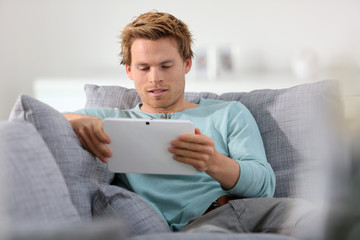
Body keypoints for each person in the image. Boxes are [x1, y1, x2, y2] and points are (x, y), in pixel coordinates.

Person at [64, 11, 311, 235]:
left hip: (242, 210)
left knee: (315, 216)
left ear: (187, 64)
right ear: (129, 71)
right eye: (144, 67)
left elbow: (265, 186)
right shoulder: (113, 123)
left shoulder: (230, 113)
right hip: (197, 229)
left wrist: (213, 162)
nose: (155, 78)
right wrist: (78, 121)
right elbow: (38, 116)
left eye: (165, 66)